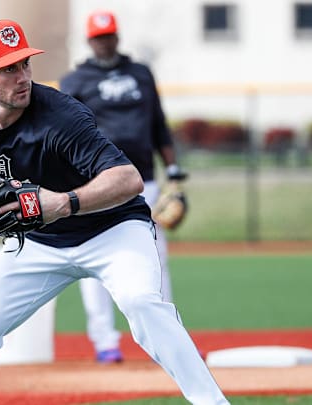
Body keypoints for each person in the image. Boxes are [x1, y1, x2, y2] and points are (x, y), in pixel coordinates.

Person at [0, 19, 228, 405]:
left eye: (24, 64)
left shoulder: (62, 116)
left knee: (143, 304)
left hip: (113, 230)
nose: (21, 77)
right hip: (40, 241)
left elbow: (129, 178)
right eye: (7, 68)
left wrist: (63, 202)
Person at [60, 10, 187, 364]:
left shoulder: (140, 74)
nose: (105, 42)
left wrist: (173, 170)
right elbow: (63, 135)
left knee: (156, 258)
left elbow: (159, 125)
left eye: (110, 35)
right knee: (94, 259)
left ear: (117, 37)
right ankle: (105, 341)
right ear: (90, 41)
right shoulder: (75, 81)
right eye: (99, 37)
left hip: (144, 180)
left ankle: (166, 338)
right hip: (97, 182)